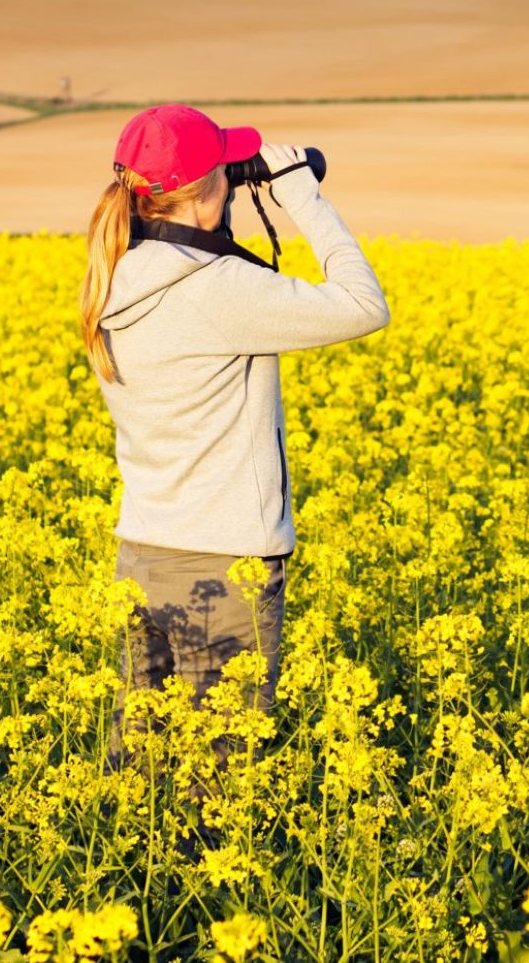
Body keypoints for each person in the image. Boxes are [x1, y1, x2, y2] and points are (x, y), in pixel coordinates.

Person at [77, 104, 390, 765]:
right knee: (217, 788)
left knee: (140, 772)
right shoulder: (218, 290)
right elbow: (366, 304)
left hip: (141, 556)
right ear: (207, 190)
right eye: (225, 165)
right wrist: (299, 191)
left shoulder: (113, 278)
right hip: (222, 569)